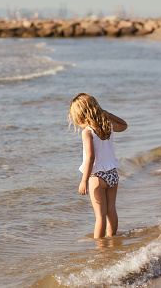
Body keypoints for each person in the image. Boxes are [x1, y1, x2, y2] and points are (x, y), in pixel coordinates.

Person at [68, 93, 128, 239]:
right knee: (111, 210)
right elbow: (124, 125)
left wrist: (84, 180)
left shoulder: (87, 132)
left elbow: (90, 157)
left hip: (97, 176)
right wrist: (109, 115)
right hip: (112, 174)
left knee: (100, 216)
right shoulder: (109, 125)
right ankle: (112, 239)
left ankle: (100, 248)